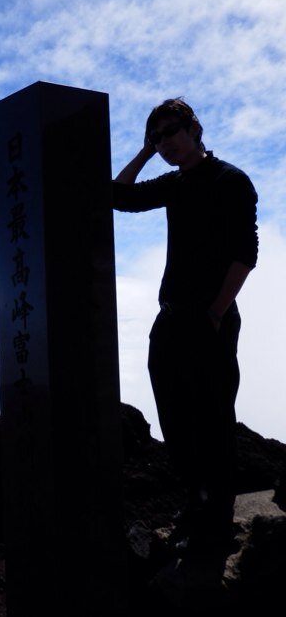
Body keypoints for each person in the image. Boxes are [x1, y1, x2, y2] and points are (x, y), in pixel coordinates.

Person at [113, 98, 259, 554]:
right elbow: (117, 196)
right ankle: (196, 508)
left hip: (209, 319)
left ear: (194, 128)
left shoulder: (229, 180)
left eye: (171, 131)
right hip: (170, 318)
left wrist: (216, 314)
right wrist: (142, 152)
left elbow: (245, 254)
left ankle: (216, 525)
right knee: (176, 421)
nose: (165, 143)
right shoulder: (175, 183)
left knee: (212, 421)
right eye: (157, 137)